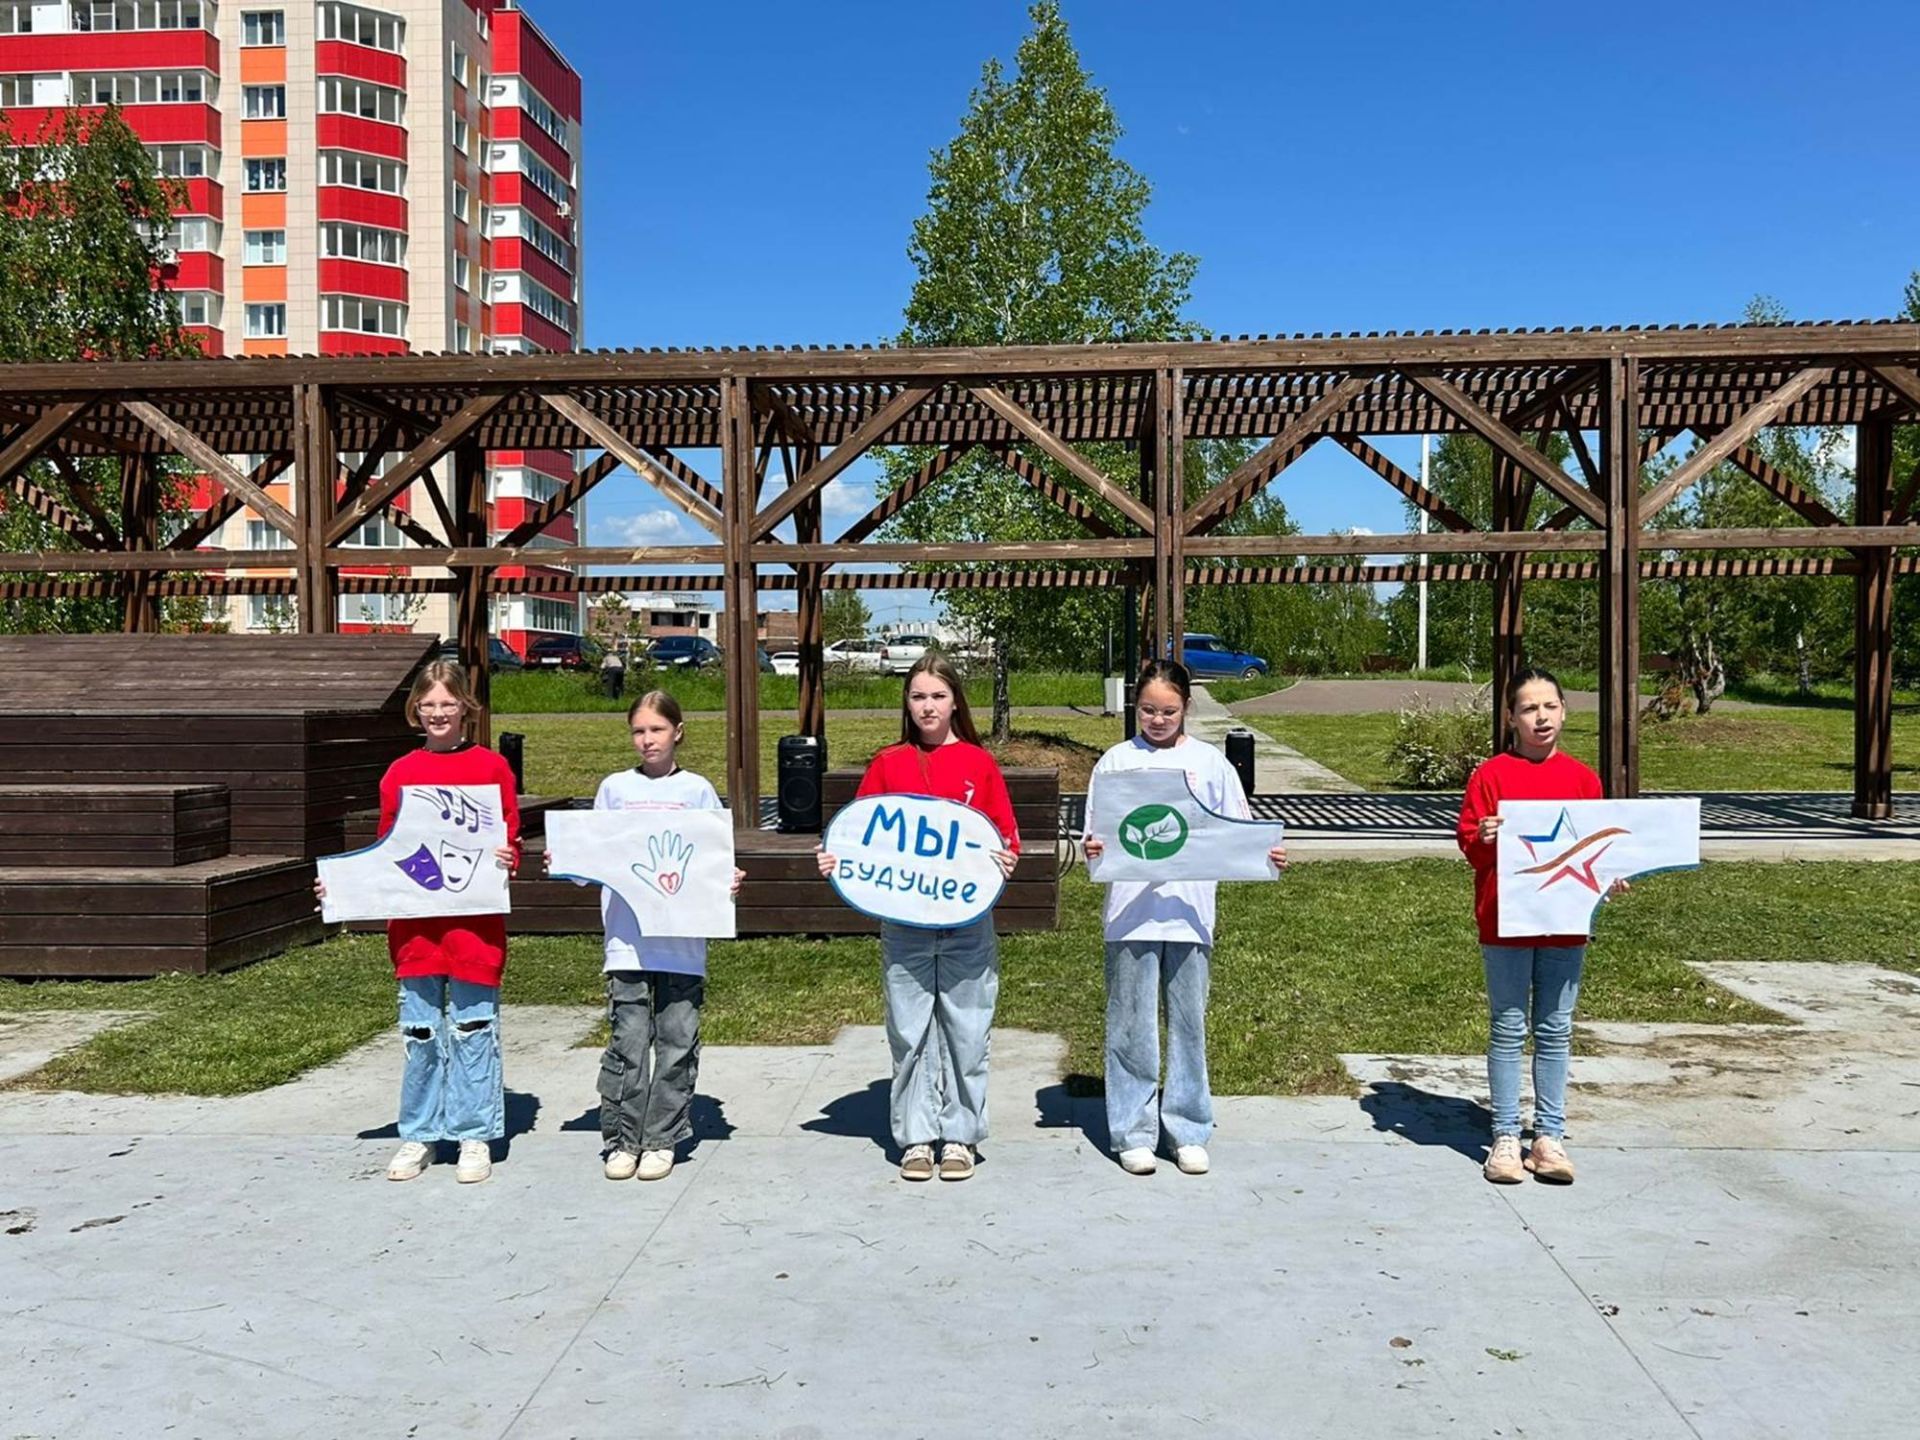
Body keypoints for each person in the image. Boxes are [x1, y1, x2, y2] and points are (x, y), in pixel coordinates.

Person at [815, 655, 1019, 1181]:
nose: (928, 707)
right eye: (918, 696)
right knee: (909, 1032)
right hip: (905, 924)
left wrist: (1006, 859)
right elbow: (859, 837)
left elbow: (1005, 836)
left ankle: (960, 1136)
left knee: (967, 1031)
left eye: (938, 696)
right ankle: (917, 1136)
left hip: (966, 922)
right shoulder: (888, 764)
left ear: (955, 702)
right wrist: (837, 860)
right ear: (906, 704)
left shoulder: (979, 763)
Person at [317, 660, 520, 1184]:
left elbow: (509, 839)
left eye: (447, 703)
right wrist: (343, 886)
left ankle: (474, 1134)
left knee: (474, 1030)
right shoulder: (399, 774)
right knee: (421, 1033)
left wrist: (507, 856)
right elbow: (384, 854)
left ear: (465, 707)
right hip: (416, 935)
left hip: (474, 932)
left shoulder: (492, 769)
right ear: (415, 710)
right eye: (428, 704)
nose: (438, 712)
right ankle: (421, 1133)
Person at [1082, 660, 1286, 1177]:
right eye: (1148, 710)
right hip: (1130, 915)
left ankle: (1188, 1128)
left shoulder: (1211, 764)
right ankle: (1133, 1130)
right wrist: (1094, 850)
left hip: (1190, 916)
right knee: (1131, 1024)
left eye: (1168, 711)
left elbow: (1237, 831)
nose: (1157, 720)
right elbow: (1095, 836)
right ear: (1135, 707)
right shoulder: (1114, 763)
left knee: (1188, 1024)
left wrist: (1265, 853)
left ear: (1187, 708)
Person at [1458, 666, 1625, 1186]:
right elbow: (1469, 845)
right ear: (1511, 717)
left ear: (1564, 712)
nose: (1541, 717)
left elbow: (1598, 847)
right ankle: (1506, 1136)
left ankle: (1549, 1136)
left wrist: (1612, 875)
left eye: (1550, 706)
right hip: (1504, 922)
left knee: (1555, 1028)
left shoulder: (1583, 780)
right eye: (1529, 708)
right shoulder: (1490, 776)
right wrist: (1484, 837)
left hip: (1565, 924)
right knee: (1509, 1027)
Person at [571, 691, 742, 1182]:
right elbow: (590, 861)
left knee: (676, 1041)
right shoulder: (614, 789)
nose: (648, 740)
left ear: (678, 732)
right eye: (639, 731)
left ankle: (662, 1138)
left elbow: (713, 858)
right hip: (627, 941)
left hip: (683, 944)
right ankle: (624, 1139)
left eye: (657, 729)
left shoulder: (698, 791)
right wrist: (567, 859)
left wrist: (728, 879)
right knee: (627, 1042)